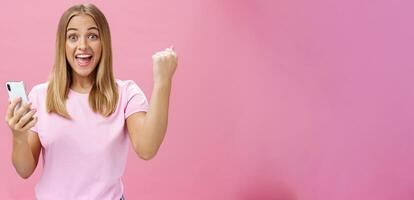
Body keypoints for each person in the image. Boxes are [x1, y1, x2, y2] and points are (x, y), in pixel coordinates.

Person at [4, 3, 177, 200]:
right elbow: (25, 170)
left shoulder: (126, 93)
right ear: (63, 44)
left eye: (92, 36)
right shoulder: (40, 96)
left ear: (104, 42)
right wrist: (18, 136)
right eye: (73, 37)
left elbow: (147, 149)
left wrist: (163, 81)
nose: (83, 46)